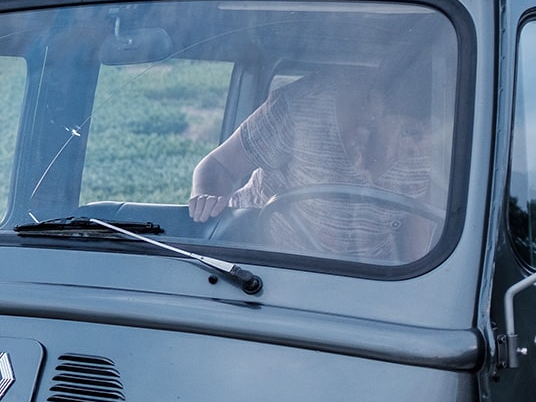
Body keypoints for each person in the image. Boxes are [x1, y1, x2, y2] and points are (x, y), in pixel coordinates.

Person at [187, 52, 440, 261]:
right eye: (410, 133)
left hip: (359, 284)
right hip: (257, 268)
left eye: (434, 137)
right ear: (376, 107)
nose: (421, 151)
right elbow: (218, 165)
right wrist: (206, 206)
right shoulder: (303, 106)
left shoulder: (431, 154)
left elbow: (415, 245)